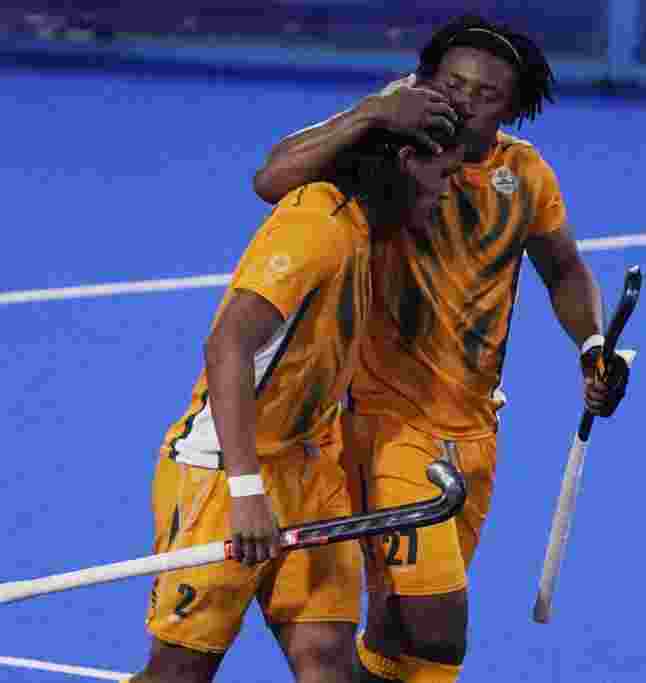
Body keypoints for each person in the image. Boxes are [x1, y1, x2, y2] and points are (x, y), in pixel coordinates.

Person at [253, 15, 631, 683]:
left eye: (483, 94)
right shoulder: (389, 153)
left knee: (400, 636)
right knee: (439, 624)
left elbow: (565, 268)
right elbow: (272, 175)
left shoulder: (526, 177)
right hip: (388, 428)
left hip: (476, 430)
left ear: (512, 108)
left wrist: (592, 345)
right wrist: (370, 112)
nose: (461, 99)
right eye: (449, 83)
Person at [129, 117, 466, 683]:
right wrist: (247, 491)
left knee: (328, 666)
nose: (449, 190)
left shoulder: (366, 227)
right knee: (179, 674)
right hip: (224, 473)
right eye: (445, 173)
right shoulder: (317, 224)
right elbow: (227, 344)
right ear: (406, 161)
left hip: (310, 465)